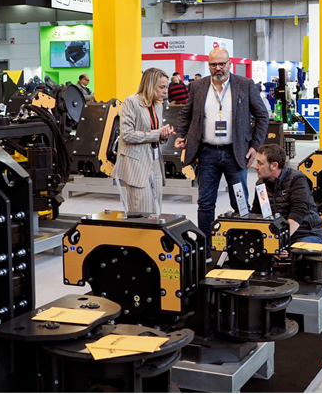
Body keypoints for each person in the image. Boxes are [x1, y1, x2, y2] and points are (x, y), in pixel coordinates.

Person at [175, 47, 269, 262]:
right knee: (205, 204)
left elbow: (262, 116)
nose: (218, 68)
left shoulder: (245, 85)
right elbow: (185, 114)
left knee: (240, 203)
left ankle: (242, 250)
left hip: (236, 153)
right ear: (208, 65)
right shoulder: (198, 86)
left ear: (229, 64)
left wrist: (255, 145)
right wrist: (181, 134)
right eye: (213, 64)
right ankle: (205, 250)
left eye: (222, 64)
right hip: (206, 153)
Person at [111, 68, 175, 215]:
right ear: (150, 85)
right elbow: (127, 135)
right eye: (162, 87)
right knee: (141, 212)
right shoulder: (131, 102)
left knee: (156, 211)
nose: (165, 91)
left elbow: (155, 133)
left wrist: (163, 135)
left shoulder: (158, 104)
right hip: (137, 163)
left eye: (166, 87)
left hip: (155, 161)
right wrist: (157, 134)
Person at [251, 144, 322, 252]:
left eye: (260, 163)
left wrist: (278, 244)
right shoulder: (261, 184)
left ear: (274, 165)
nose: (255, 166)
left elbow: (297, 215)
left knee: (297, 254)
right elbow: (256, 214)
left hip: (306, 234)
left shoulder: (297, 180)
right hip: (278, 236)